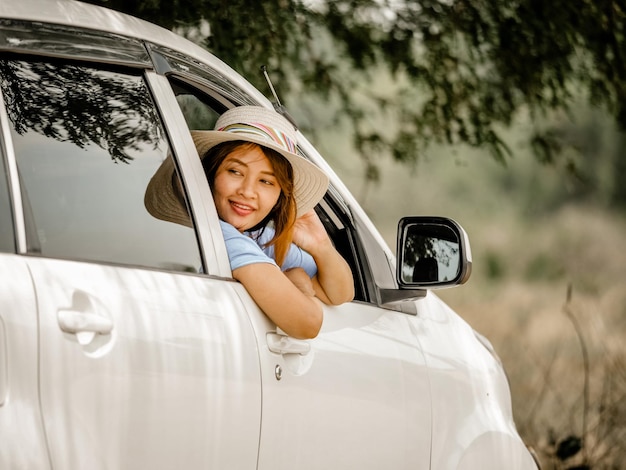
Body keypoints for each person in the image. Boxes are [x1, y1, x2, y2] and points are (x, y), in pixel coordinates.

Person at [145, 106, 354, 339]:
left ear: (279, 198)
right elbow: (308, 324)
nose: (247, 191)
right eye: (235, 171)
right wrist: (299, 283)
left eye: (266, 181)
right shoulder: (222, 237)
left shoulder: (260, 239)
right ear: (210, 175)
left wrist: (321, 246)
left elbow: (341, 294)